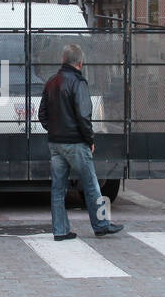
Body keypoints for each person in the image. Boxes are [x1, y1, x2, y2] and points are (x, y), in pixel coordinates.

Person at [38, 44, 122, 241]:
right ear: (80, 62)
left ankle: (60, 230)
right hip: (76, 142)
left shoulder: (51, 82)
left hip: (55, 143)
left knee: (58, 189)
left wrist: (53, 130)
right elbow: (84, 115)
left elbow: (42, 114)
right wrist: (89, 139)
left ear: (62, 60)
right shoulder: (78, 82)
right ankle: (101, 224)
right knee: (91, 184)